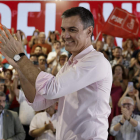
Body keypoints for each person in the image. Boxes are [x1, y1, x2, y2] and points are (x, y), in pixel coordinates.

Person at [0, 7, 112, 140]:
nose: (65, 35)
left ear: (89, 31)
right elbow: (39, 102)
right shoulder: (70, 64)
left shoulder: (96, 60)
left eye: (72, 29)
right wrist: (20, 68)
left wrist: (20, 56)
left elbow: (50, 89)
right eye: (63, 29)